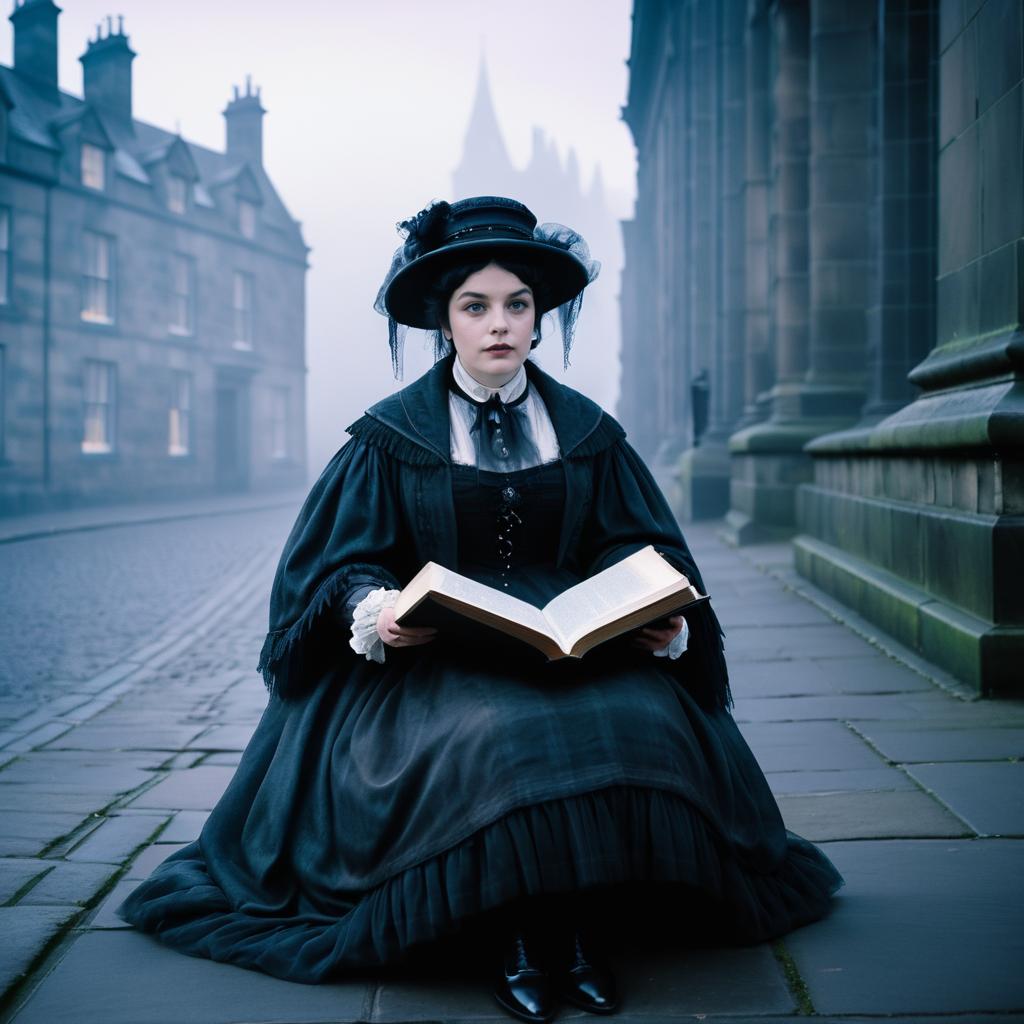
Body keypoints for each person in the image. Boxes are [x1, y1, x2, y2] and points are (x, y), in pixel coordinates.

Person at [118, 196, 842, 1022]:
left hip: (575, 639)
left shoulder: (586, 431)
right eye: (476, 306)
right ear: (445, 321)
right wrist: (377, 608)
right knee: (497, 736)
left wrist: (655, 605)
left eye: (517, 305)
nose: (499, 324)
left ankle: (571, 931)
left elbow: (633, 540)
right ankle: (524, 939)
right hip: (440, 652)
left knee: (639, 722)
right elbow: (340, 560)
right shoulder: (391, 438)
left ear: (538, 319)